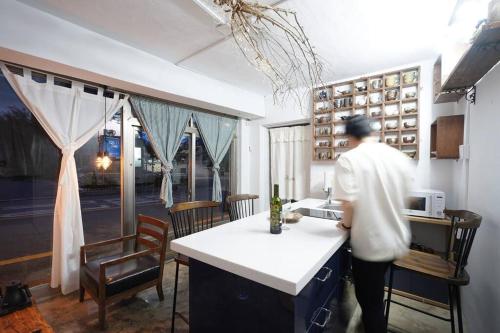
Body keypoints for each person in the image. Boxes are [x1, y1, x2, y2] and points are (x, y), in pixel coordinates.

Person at [333, 115, 413, 333]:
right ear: (371, 133)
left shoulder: (349, 159)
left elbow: (348, 204)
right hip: (398, 240)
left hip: (372, 244)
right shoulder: (398, 156)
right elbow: (406, 197)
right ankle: (372, 321)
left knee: (370, 302)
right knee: (376, 293)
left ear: (350, 136)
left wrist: (347, 226)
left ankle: (374, 324)